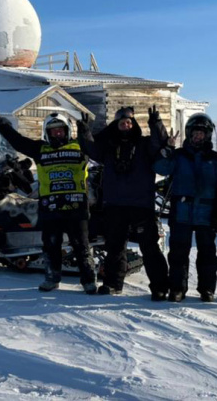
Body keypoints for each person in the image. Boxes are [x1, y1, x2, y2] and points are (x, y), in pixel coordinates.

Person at [0, 106, 98, 294]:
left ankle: (88, 280)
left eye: (61, 130)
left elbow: (94, 149)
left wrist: (86, 131)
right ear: (46, 132)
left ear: (68, 130)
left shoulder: (80, 147)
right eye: (53, 131)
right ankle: (52, 278)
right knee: (51, 244)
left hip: (76, 206)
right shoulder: (40, 149)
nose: (57, 133)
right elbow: (17, 141)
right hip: (50, 207)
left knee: (81, 245)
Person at [78, 106, 169, 300]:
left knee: (149, 246)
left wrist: (156, 123)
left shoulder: (144, 144)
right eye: (122, 123)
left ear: (134, 124)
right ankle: (112, 284)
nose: (126, 126)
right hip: (115, 204)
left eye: (129, 122)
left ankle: (160, 286)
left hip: (141, 204)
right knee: (115, 247)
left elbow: (160, 143)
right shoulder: (109, 146)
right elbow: (91, 150)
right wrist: (84, 131)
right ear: (116, 126)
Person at [153, 113, 217, 303]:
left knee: (208, 255)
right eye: (195, 133)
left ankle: (207, 289)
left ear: (208, 135)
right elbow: (161, 168)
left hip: (206, 213)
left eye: (202, 133)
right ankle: (177, 289)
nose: (198, 137)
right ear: (188, 133)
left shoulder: (215, 159)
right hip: (182, 212)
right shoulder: (178, 155)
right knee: (178, 253)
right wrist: (168, 148)